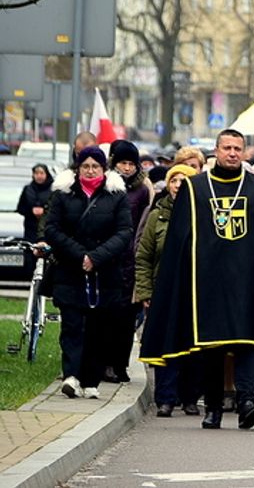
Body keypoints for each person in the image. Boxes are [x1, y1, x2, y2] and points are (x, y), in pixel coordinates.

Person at [139, 129, 254, 430]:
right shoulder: (195, 189)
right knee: (212, 346)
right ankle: (214, 408)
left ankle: (247, 401)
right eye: (227, 148)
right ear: (215, 151)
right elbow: (180, 241)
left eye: (237, 148)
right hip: (207, 283)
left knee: (247, 341)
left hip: (246, 281)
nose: (232, 153)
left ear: (244, 153)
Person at [43, 146, 133, 400]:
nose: (90, 170)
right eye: (86, 166)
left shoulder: (116, 196)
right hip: (70, 271)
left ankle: (91, 379)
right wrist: (79, 255)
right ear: (78, 168)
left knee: (99, 328)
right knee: (71, 325)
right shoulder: (63, 195)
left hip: (105, 274)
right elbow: (52, 229)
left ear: (104, 169)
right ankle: (71, 376)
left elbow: (124, 232)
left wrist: (96, 257)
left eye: (95, 166)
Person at [134, 163, 199, 417]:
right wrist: (145, 292)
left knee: (193, 348)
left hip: (194, 292)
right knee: (165, 345)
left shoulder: (202, 215)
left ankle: (191, 397)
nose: (179, 185)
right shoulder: (156, 216)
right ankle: (165, 399)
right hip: (163, 291)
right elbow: (143, 256)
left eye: (185, 180)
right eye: (175, 180)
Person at [105, 139, 154, 385]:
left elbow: (144, 223)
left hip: (132, 261)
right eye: (122, 163)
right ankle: (104, 363)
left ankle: (120, 364)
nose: (127, 168)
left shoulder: (143, 190)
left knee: (126, 320)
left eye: (131, 164)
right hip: (108, 258)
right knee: (107, 317)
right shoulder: (107, 186)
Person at [17, 163, 53, 241]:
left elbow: (56, 208)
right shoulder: (28, 189)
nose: (39, 176)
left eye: (41, 173)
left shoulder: (53, 189)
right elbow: (20, 208)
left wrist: (44, 211)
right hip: (30, 228)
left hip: (47, 228)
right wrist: (31, 211)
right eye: (36, 173)